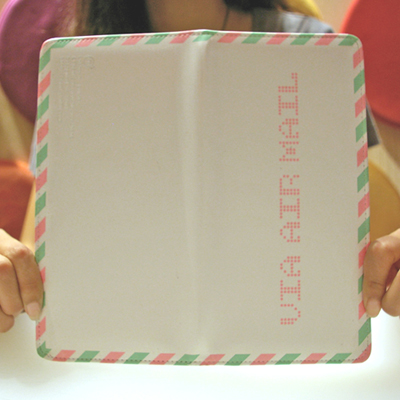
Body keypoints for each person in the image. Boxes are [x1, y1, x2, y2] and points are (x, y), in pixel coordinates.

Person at [0, 0, 397, 334]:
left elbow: (362, 245)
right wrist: (13, 278)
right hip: (121, 355)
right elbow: (41, 257)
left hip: (284, 344)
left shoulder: (317, 50)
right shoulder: (75, 64)